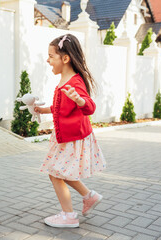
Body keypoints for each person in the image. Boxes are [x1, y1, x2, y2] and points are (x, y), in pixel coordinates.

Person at [34, 34, 106, 228]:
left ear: (65, 58)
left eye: (51, 56)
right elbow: (60, 106)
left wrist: (80, 100)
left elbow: (89, 107)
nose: (47, 60)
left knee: (55, 173)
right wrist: (43, 110)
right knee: (60, 172)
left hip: (73, 138)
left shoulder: (74, 82)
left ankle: (69, 216)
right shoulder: (65, 80)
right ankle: (89, 196)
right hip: (65, 137)